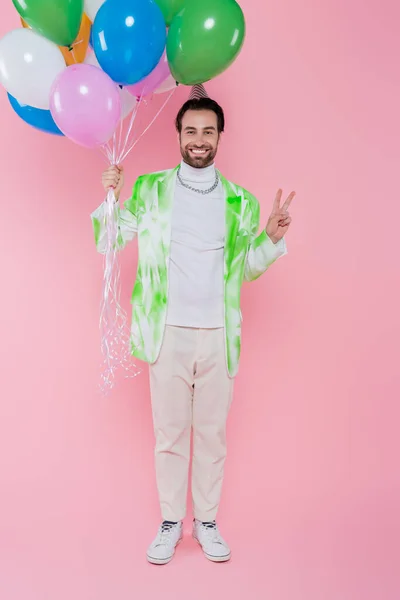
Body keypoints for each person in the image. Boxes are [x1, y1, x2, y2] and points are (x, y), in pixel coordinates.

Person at [91, 84, 295, 565]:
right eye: (190, 131)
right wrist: (111, 196)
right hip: (165, 334)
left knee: (211, 434)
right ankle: (169, 522)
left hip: (220, 335)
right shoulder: (150, 189)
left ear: (221, 135)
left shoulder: (241, 202)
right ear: (178, 135)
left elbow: (245, 268)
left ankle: (205, 522)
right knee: (169, 433)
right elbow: (107, 241)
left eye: (208, 131)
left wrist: (269, 237)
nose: (198, 139)